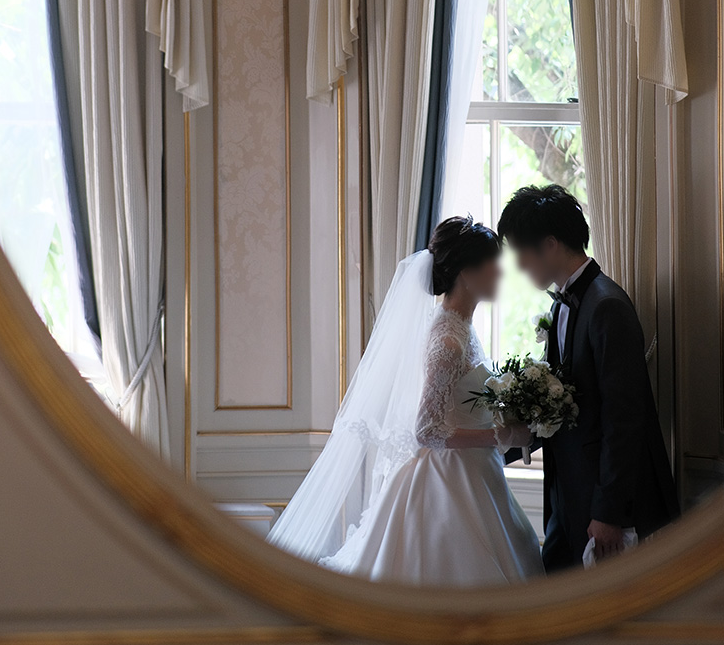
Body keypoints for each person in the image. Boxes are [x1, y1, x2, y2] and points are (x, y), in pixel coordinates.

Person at [268, 216, 544, 586]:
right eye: (493, 263)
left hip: (477, 473)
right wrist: (502, 436)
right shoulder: (447, 342)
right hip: (448, 484)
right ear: (466, 273)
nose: (501, 272)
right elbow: (427, 430)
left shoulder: (463, 328)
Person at [497, 184, 680, 572]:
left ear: (550, 244)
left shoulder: (606, 305)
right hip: (568, 497)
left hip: (603, 507)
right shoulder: (564, 305)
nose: (520, 266)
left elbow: (624, 418)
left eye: (521, 252)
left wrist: (608, 511)